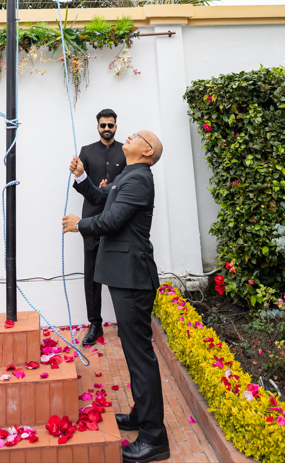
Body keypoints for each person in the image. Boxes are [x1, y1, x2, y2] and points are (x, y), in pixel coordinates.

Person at [63, 130, 169, 463]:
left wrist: (80, 225)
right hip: (125, 276)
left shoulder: (139, 180)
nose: (130, 135)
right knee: (134, 350)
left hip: (133, 278)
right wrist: (81, 178)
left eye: (138, 135)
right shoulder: (128, 175)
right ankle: (142, 414)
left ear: (147, 151)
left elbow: (110, 220)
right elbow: (100, 196)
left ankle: (154, 438)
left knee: (140, 356)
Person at [73, 108, 126, 347]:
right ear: (97, 127)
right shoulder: (86, 151)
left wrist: (110, 188)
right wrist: (91, 184)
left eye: (110, 125)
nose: (107, 129)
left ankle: (125, 323)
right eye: (103, 125)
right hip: (92, 218)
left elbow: (127, 182)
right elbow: (78, 183)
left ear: (116, 126)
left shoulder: (125, 151)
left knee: (120, 272)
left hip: (117, 218)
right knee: (92, 274)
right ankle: (95, 324)